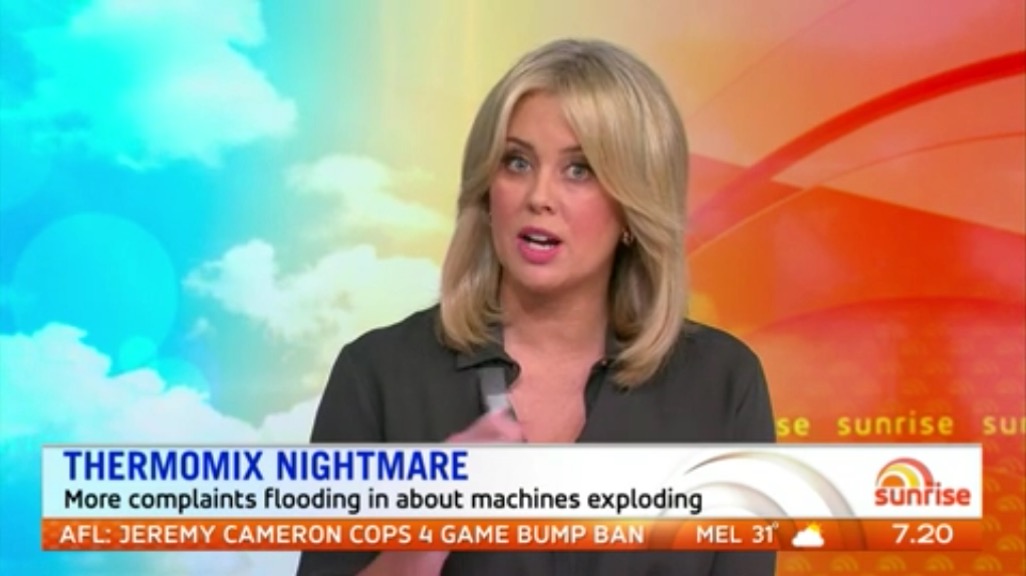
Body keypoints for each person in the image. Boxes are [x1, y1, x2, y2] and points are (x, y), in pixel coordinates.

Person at [296, 38, 776, 576]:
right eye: (517, 162)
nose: (538, 196)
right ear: (487, 189)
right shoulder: (378, 375)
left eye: (579, 169)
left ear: (634, 206)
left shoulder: (722, 383)